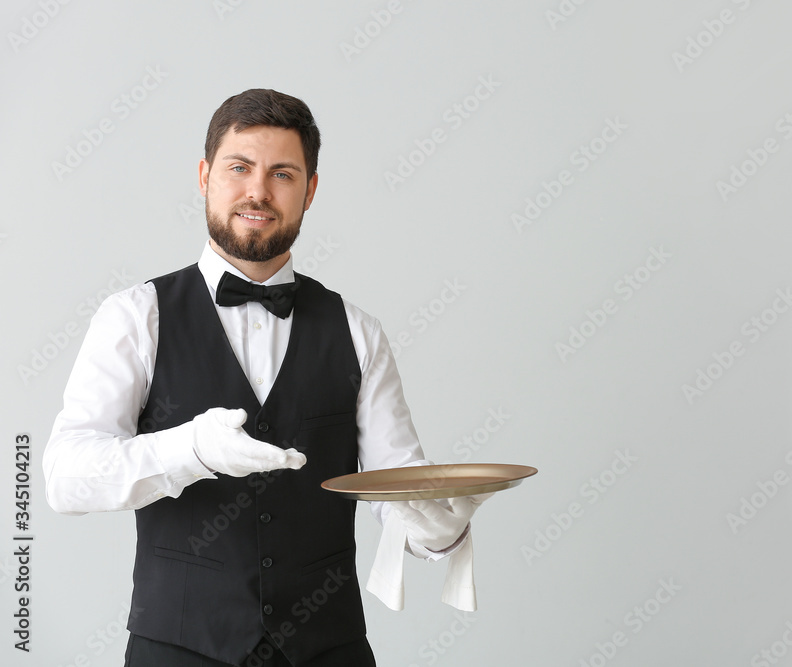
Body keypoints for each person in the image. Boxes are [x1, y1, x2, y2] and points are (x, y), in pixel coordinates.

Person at [43, 88, 487, 667]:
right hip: (178, 648)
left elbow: (394, 486)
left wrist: (439, 529)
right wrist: (191, 450)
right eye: (239, 168)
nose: (258, 190)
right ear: (204, 176)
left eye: (283, 173)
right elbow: (63, 477)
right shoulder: (136, 316)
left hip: (329, 650)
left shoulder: (357, 331)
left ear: (311, 190)